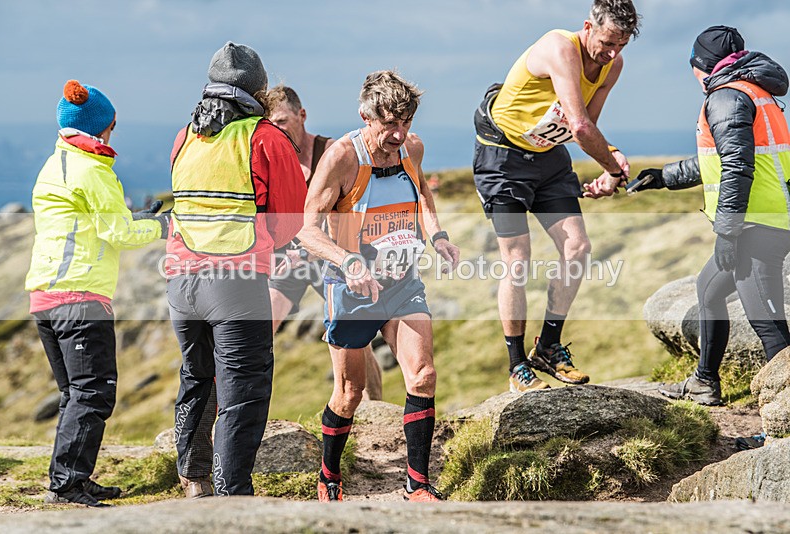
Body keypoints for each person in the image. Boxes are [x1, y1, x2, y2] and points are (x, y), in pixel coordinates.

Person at [298, 70, 459, 502]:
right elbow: (307, 231)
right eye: (389, 123)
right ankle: (329, 474)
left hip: (401, 280)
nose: (398, 133)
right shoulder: (341, 158)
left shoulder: (412, 148)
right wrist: (348, 262)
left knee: (422, 375)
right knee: (350, 394)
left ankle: (417, 485)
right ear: (365, 115)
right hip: (351, 287)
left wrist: (438, 235)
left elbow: (423, 192)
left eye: (405, 121)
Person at [472, 0, 640, 393]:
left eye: (623, 44)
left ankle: (547, 347)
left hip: (548, 157)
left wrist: (609, 158)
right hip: (503, 157)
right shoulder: (559, 47)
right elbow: (580, 128)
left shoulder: (612, 65)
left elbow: (589, 124)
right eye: (607, 42)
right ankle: (517, 366)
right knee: (517, 260)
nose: (613, 53)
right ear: (588, 26)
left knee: (578, 248)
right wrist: (613, 168)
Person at [628, 27, 790, 433]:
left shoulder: (725, 97)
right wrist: (663, 177)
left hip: (757, 227)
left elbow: (736, 167)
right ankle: (703, 382)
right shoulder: (755, 92)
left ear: (700, 67)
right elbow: (718, 160)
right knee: (709, 290)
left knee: (767, 325)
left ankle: (782, 428)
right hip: (764, 220)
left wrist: (728, 230)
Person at [165, 42, 307, 497]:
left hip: (181, 281)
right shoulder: (265, 138)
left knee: (196, 376)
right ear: (258, 91)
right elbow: (288, 225)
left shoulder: (185, 135)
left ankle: (194, 479)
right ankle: (233, 495)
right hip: (235, 280)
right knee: (243, 388)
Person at [26, 80, 169, 507]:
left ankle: (71, 478)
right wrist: (162, 226)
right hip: (80, 298)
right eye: (112, 126)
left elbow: (90, 219)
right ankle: (67, 485)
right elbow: (117, 232)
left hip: (46, 297)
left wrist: (135, 214)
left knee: (75, 394)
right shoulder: (95, 170)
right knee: (94, 392)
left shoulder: (57, 164)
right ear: (101, 128)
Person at [266, 85, 384, 400]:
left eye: (281, 121)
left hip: (332, 257)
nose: (276, 130)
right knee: (261, 329)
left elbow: (352, 216)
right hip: (290, 260)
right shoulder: (271, 159)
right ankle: (237, 416)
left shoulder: (332, 155)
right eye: (269, 124)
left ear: (301, 116)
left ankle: (376, 411)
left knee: (358, 341)